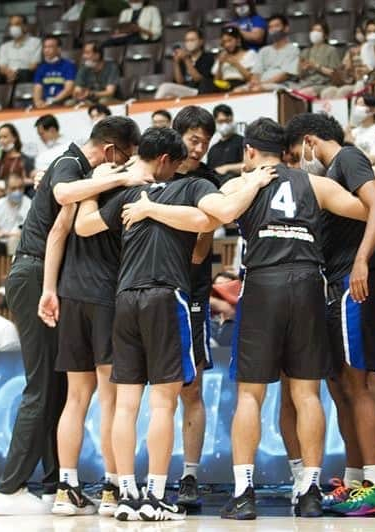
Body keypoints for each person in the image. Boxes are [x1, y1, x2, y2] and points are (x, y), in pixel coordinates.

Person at [75, 127, 279, 521]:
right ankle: (153, 496)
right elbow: (224, 212)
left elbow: (84, 226)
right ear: (169, 160)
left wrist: (96, 185)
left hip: (125, 298)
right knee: (163, 402)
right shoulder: (191, 187)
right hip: (166, 296)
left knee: (123, 404)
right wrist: (252, 181)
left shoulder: (128, 195)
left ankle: (124, 494)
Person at [219, 118, 375, 520]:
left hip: (263, 285)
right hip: (309, 283)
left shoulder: (242, 184)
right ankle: (309, 491)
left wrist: (249, 183)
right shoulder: (315, 184)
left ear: (250, 151)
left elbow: (215, 214)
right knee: (306, 394)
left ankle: (243, 493)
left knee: (250, 395)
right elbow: (369, 208)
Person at [0, 116, 149, 515]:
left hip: (53, 279)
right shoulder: (71, 163)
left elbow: (63, 224)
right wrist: (120, 180)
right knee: (43, 385)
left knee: (61, 389)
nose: (126, 166)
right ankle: (8, 490)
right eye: (125, 158)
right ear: (112, 151)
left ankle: (54, 486)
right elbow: (62, 196)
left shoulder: (82, 171)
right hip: (34, 271)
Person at [285, 113, 375, 513]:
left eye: (297, 153)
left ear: (309, 141)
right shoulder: (330, 175)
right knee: (341, 390)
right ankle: (355, 480)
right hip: (333, 287)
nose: (299, 162)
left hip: (357, 286)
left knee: (360, 387)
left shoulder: (348, 159)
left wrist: (361, 261)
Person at [42, 117, 147, 518]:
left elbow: (58, 232)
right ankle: (110, 487)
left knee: (75, 397)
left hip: (71, 292)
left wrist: (51, 288)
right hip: (105, 296)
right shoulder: (128, 187)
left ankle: (66, 488)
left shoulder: (87, 185)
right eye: (128, 154)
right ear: (114, 151)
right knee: (109, 399)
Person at [168, 106, 220, 509]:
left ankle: (189, 476)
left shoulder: (209, 181)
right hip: (149, 289)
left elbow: (203, 247)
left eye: (205, 141)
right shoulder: (156, 174)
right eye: (194, 139)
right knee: (145, 390)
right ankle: (133, 479)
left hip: (193, 292)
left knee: (192, 387)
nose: (200, 147)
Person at [235, 15, 298, 92]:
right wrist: (254, 82)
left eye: (276, 26)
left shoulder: (293, 50)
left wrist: (262, 84)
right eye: (270, 27)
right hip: (261, 84)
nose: (273, 30)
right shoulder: (264, 50)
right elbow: (256, 73)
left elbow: (285, 75)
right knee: (238, 90)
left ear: (286, 28)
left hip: (282, 84)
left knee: (257, 89)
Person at [0, 123, 35, 210]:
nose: (1, 141)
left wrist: (12, 184)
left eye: (5, 137)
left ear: (14, 138)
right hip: (1, 192)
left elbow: (31, 180)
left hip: (17, 192)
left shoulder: (24, 159)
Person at [155, 28, 215, 99]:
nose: (189, 43)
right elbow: (179, 82)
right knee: (168, 96)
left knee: (165, 87)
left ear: (201, 41)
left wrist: (186, 60)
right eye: (187, 40)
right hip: (185, 89)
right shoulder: (183, 58)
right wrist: (176, 62)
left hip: (200, 90)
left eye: (192, 40)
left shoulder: (208, 57)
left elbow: (198, 79)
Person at [0, 174, 31, 256]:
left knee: (13, 240)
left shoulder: (29, 204)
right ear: (6, 190)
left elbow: (28, 234)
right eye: (13, 188)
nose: (17, 191)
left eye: (20, 188)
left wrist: (4, 234)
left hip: (20, 244)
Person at [319, 21, 371, 99]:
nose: (359, 34)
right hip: (351, 82)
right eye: (357, 32)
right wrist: (350, 57)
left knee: (343, 91)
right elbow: (346, 70)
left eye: (361, 31)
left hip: (365, 82)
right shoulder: (351, 50)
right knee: (327, 92)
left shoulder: (370, 48)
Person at [294, 21, 341, 97]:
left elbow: (334, 73)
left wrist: (316, 66)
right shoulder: (305, 52)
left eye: (319, 31)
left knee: (302, 94)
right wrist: (303, 69)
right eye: (313, 30)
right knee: (288, 92)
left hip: (323, 85)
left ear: (325, 35)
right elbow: (299, 75)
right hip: (305, 83)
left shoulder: (331, 50)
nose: (315, 33)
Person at [33, 35, 76, 109]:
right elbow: (37, 87)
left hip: (62, 101)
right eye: (45, 47)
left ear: (58, 49)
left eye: (50, 47)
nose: (46, 50)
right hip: (45, 102)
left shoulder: (68, 65)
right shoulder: (41, 68)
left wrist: (52, 101)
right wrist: (38, 102)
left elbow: (69, 89)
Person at [346, 94, 375, 165]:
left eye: (361, 105)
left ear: (373, 110)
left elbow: (372, 160)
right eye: (356, 105)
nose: (357, 108)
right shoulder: (354, 132)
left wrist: (352, 144)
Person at [0, 15, 41, 85]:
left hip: (26, 74)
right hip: (8, 75)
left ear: (25, 27)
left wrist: (16, 73)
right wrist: (9, 73)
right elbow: (2, 67)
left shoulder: (36, 42)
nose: (13, 28)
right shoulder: (4, 46)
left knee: (26, 74)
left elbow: (34, 66)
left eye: (17, 24)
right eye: (11, 25)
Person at [211, 26, 257, 92]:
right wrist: (220, 64)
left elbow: (250, 78)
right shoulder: (222, 55)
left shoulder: (250, 54)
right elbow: (216, 80)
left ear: (238, 40)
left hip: (241, 84)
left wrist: (236, 64)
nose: (227, 45)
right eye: (224, 42)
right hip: (223, 85)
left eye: (230, 40)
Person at [207, 104, 244, 181]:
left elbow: (249, 166)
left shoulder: (242, 141)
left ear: (232, 119)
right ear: (215, 122)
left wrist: (227, 168)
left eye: (227, 121)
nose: (224, 125)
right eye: (220, 121)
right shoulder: (213, 149)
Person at [209, 271, 238, 346]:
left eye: (226, 285)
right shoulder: (207, 318)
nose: (220, 290)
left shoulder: (242, 318)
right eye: (218, 285)